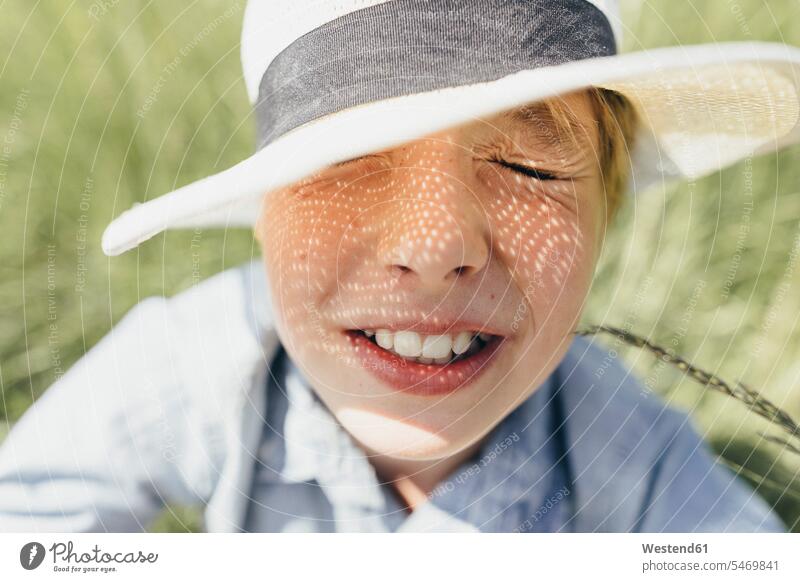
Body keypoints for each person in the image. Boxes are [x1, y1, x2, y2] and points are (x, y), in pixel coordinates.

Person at [2, 0, 799, 533]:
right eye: (346, 160)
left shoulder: (625, 452)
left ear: (605, 217)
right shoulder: (215, 358)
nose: (433, 248)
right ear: (263, 216)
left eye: (530, 169)